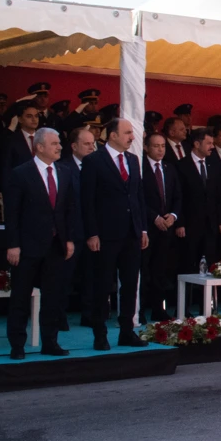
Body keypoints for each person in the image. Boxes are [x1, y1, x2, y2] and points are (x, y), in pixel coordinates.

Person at [3, 127, 78, 359]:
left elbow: (68, 210)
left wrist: (69, 239)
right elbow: (12, 213)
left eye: (59, 143)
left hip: (56, 245)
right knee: (20, 297)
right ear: (40, 147)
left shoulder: (65, 172)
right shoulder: (20, 173)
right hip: (27, 246)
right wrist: (13, 244)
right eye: (54, 143)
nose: (59, 147)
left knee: (53, 297)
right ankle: (17, 344)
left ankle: (50, 342)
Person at [80, 118, 149, 350]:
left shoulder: (133, 159)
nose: (132, 137)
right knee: (102, 285)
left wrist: (142, 228)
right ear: (112, 135)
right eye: (127, 132)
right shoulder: (94, 161)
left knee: (130, 284)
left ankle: (127, 331)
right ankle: (100, 334)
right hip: (105, 234)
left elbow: (138, 196)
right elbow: (87, 200)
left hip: (131, 233)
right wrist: (91, 233)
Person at [175, 127, 221, 284]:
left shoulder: (215, 165)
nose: (212, 146)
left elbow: (220, 196)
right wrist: (180, 223)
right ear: (197, 144)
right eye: (209, 143)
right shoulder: (181, 165)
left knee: (210, 264)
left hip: (211, 225)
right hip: (189, 225)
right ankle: (185, 305)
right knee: (188, 264)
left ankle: (207, 303)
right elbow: (178, 197)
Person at [141, 132, 182, 323]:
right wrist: (154, 216)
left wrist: (173, 215)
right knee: (143, 270)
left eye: (163, 146)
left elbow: (178, 196)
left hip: (166, 228)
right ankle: (138, 310)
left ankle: (158, 309)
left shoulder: (169, 168)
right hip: (146, 228)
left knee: (161, 270)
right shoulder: (140, 168)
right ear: (146, 148)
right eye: (156, 146)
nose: (160, 150)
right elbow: (137, 197)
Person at [59, 126, 94, 330]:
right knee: (65, 277)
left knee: (91, 276)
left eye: (93, 144)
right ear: (74, 146)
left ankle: (89, 314)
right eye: (86, 144)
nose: (91, 147)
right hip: (72, 232)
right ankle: (59, 315)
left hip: (93, 232)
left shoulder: (97, 166)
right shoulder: (64, 168)